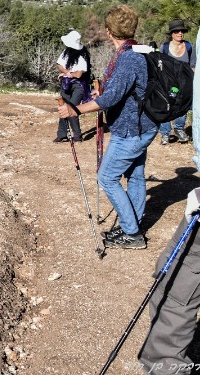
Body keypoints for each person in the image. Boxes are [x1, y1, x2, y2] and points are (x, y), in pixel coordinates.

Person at [57, 5, 157, 250]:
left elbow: (110, 99)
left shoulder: (128, 58)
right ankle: (132, 224)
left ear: (110, 31)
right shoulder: (139, 53)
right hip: (143, 125)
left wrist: (76, 109)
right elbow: (121, 91)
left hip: (131, 129)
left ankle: (132, 233)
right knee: (134, 175)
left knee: (107, 176)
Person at [136, 28, 200, 372]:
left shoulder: (188, 48)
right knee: (167, 273)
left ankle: (165, 366)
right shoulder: (173, 48)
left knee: (173, 288)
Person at [158, 18, 195, 145]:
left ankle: (179, 130)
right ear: (171, 34)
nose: (180, 33)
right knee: (166, 105)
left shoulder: (189, 46)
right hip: (167, 82)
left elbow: (193, 65)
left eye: (182, 31)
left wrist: (193, 83)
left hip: (184, 82)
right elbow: (159, 64)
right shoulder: (165, 47)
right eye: (177, 31)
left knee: (183, 106)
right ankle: (165, 134)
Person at [54, 30, 91, 143]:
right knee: (63, 106)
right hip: (66, 83)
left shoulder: (83, 56)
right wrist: (67, 73)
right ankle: (62, 134)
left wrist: (68, 74)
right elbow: (59, 65)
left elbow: (79, 74)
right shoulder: (66, 51)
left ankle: (77, 135)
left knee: (72, 108)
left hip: (79, 84)